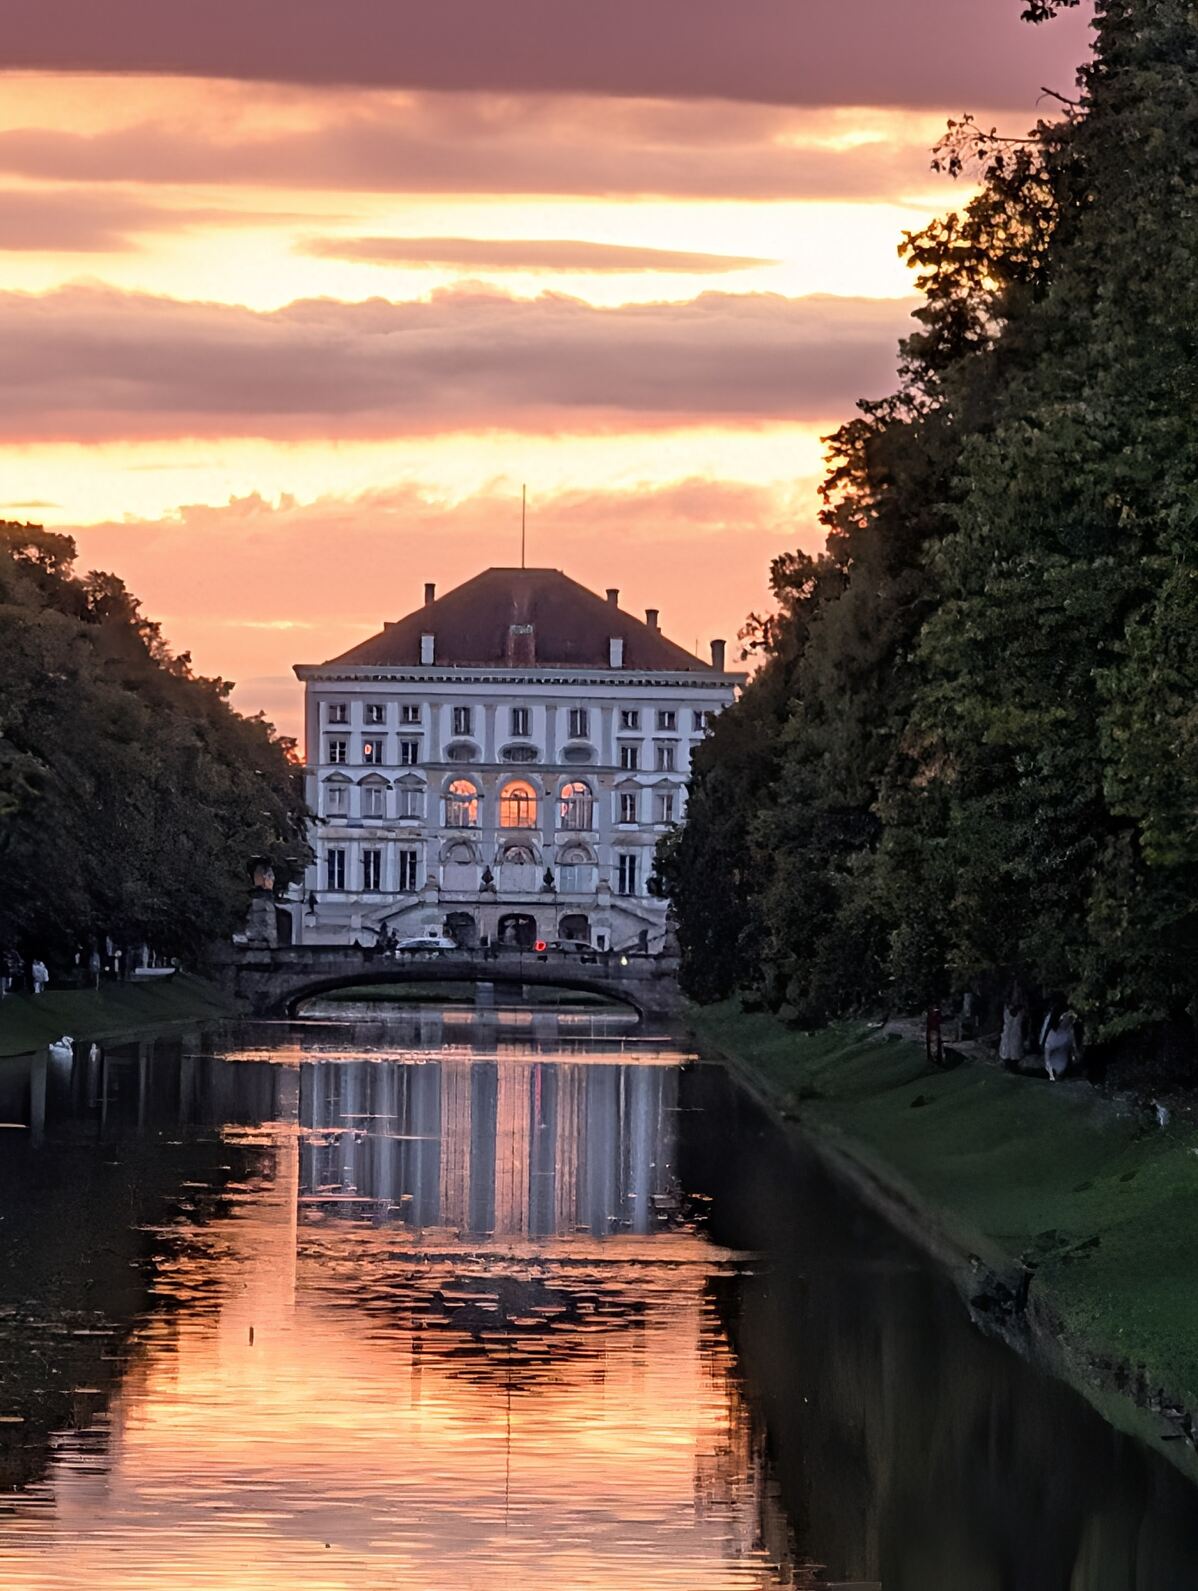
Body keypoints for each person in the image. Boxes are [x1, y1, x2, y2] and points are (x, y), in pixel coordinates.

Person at [1041, 1002, 1078, 1082]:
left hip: (1063, 1066)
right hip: (1054, 1068)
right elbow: (1047, 1054)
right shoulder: (1052, 1034)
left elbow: (1073, 1048)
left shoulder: (1070, 1032)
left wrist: (1074, 1055)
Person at [999, 986, 1027, 1071]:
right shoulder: (1018, 1008)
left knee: (1011, 1055)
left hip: (1012, 1035)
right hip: (1011, 1035)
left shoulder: (1010, 1007)